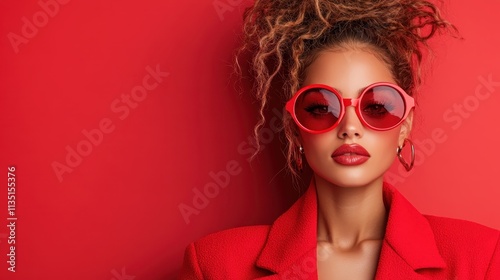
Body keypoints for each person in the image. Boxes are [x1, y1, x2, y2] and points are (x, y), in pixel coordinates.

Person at [178, 0, 500, 279]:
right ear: (294, 127)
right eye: (321, 107)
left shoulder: (481, 258)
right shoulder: (216, 266)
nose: (349, 127)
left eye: (376, 106)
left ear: (405, 124)